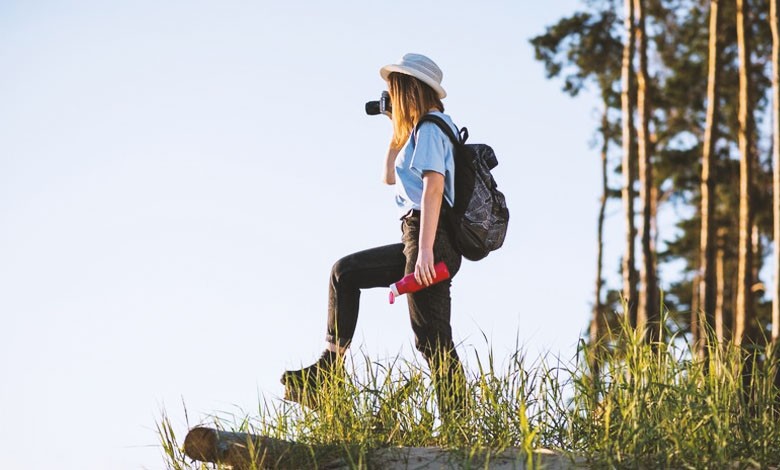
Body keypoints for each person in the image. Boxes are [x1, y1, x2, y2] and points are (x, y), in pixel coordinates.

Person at [282, 53, 466, 413]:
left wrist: (425, 252)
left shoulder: (430, 128)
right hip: (418, 237)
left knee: (432, 337)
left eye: (392, 91)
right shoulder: (422, 130)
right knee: (344, 273)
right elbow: (389, 176)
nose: (389, 98)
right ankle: (327, 373)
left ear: (407, 89)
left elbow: (433, 188)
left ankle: (460, 426)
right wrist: (395, 128)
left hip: (428, 237)